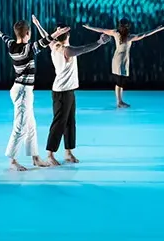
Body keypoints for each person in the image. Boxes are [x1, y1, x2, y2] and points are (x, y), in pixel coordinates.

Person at [0, 17, 71, 171]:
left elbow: (5, 38)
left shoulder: (12, 45)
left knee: (31, 125)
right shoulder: (26, 49)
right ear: (27, 33)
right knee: (20, 126)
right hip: (22, 92)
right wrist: (57, 33)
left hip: (24, 91)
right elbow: (43, 42)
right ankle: (13, 161)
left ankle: (35, 157)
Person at [33, 18, 111, 166]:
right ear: (68, 35)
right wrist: (99, 42)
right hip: (62, 92)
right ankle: (50, 154)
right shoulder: (65, 49)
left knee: (70, 122)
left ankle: (68, 152)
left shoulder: (53, 44)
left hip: (68, 91)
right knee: (59, 123)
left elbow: (45, 36)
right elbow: (85, 48)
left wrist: (38, 25)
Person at [83, 19, 164, 107]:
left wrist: (89, 27)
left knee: (121, 81)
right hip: (120, 60)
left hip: (121, 59)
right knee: (119, 81)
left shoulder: (119, 34)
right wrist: (156, 29)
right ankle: (119, 102)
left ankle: (120, 101)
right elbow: (144, 35)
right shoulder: (126, 36)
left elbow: (102, 29)